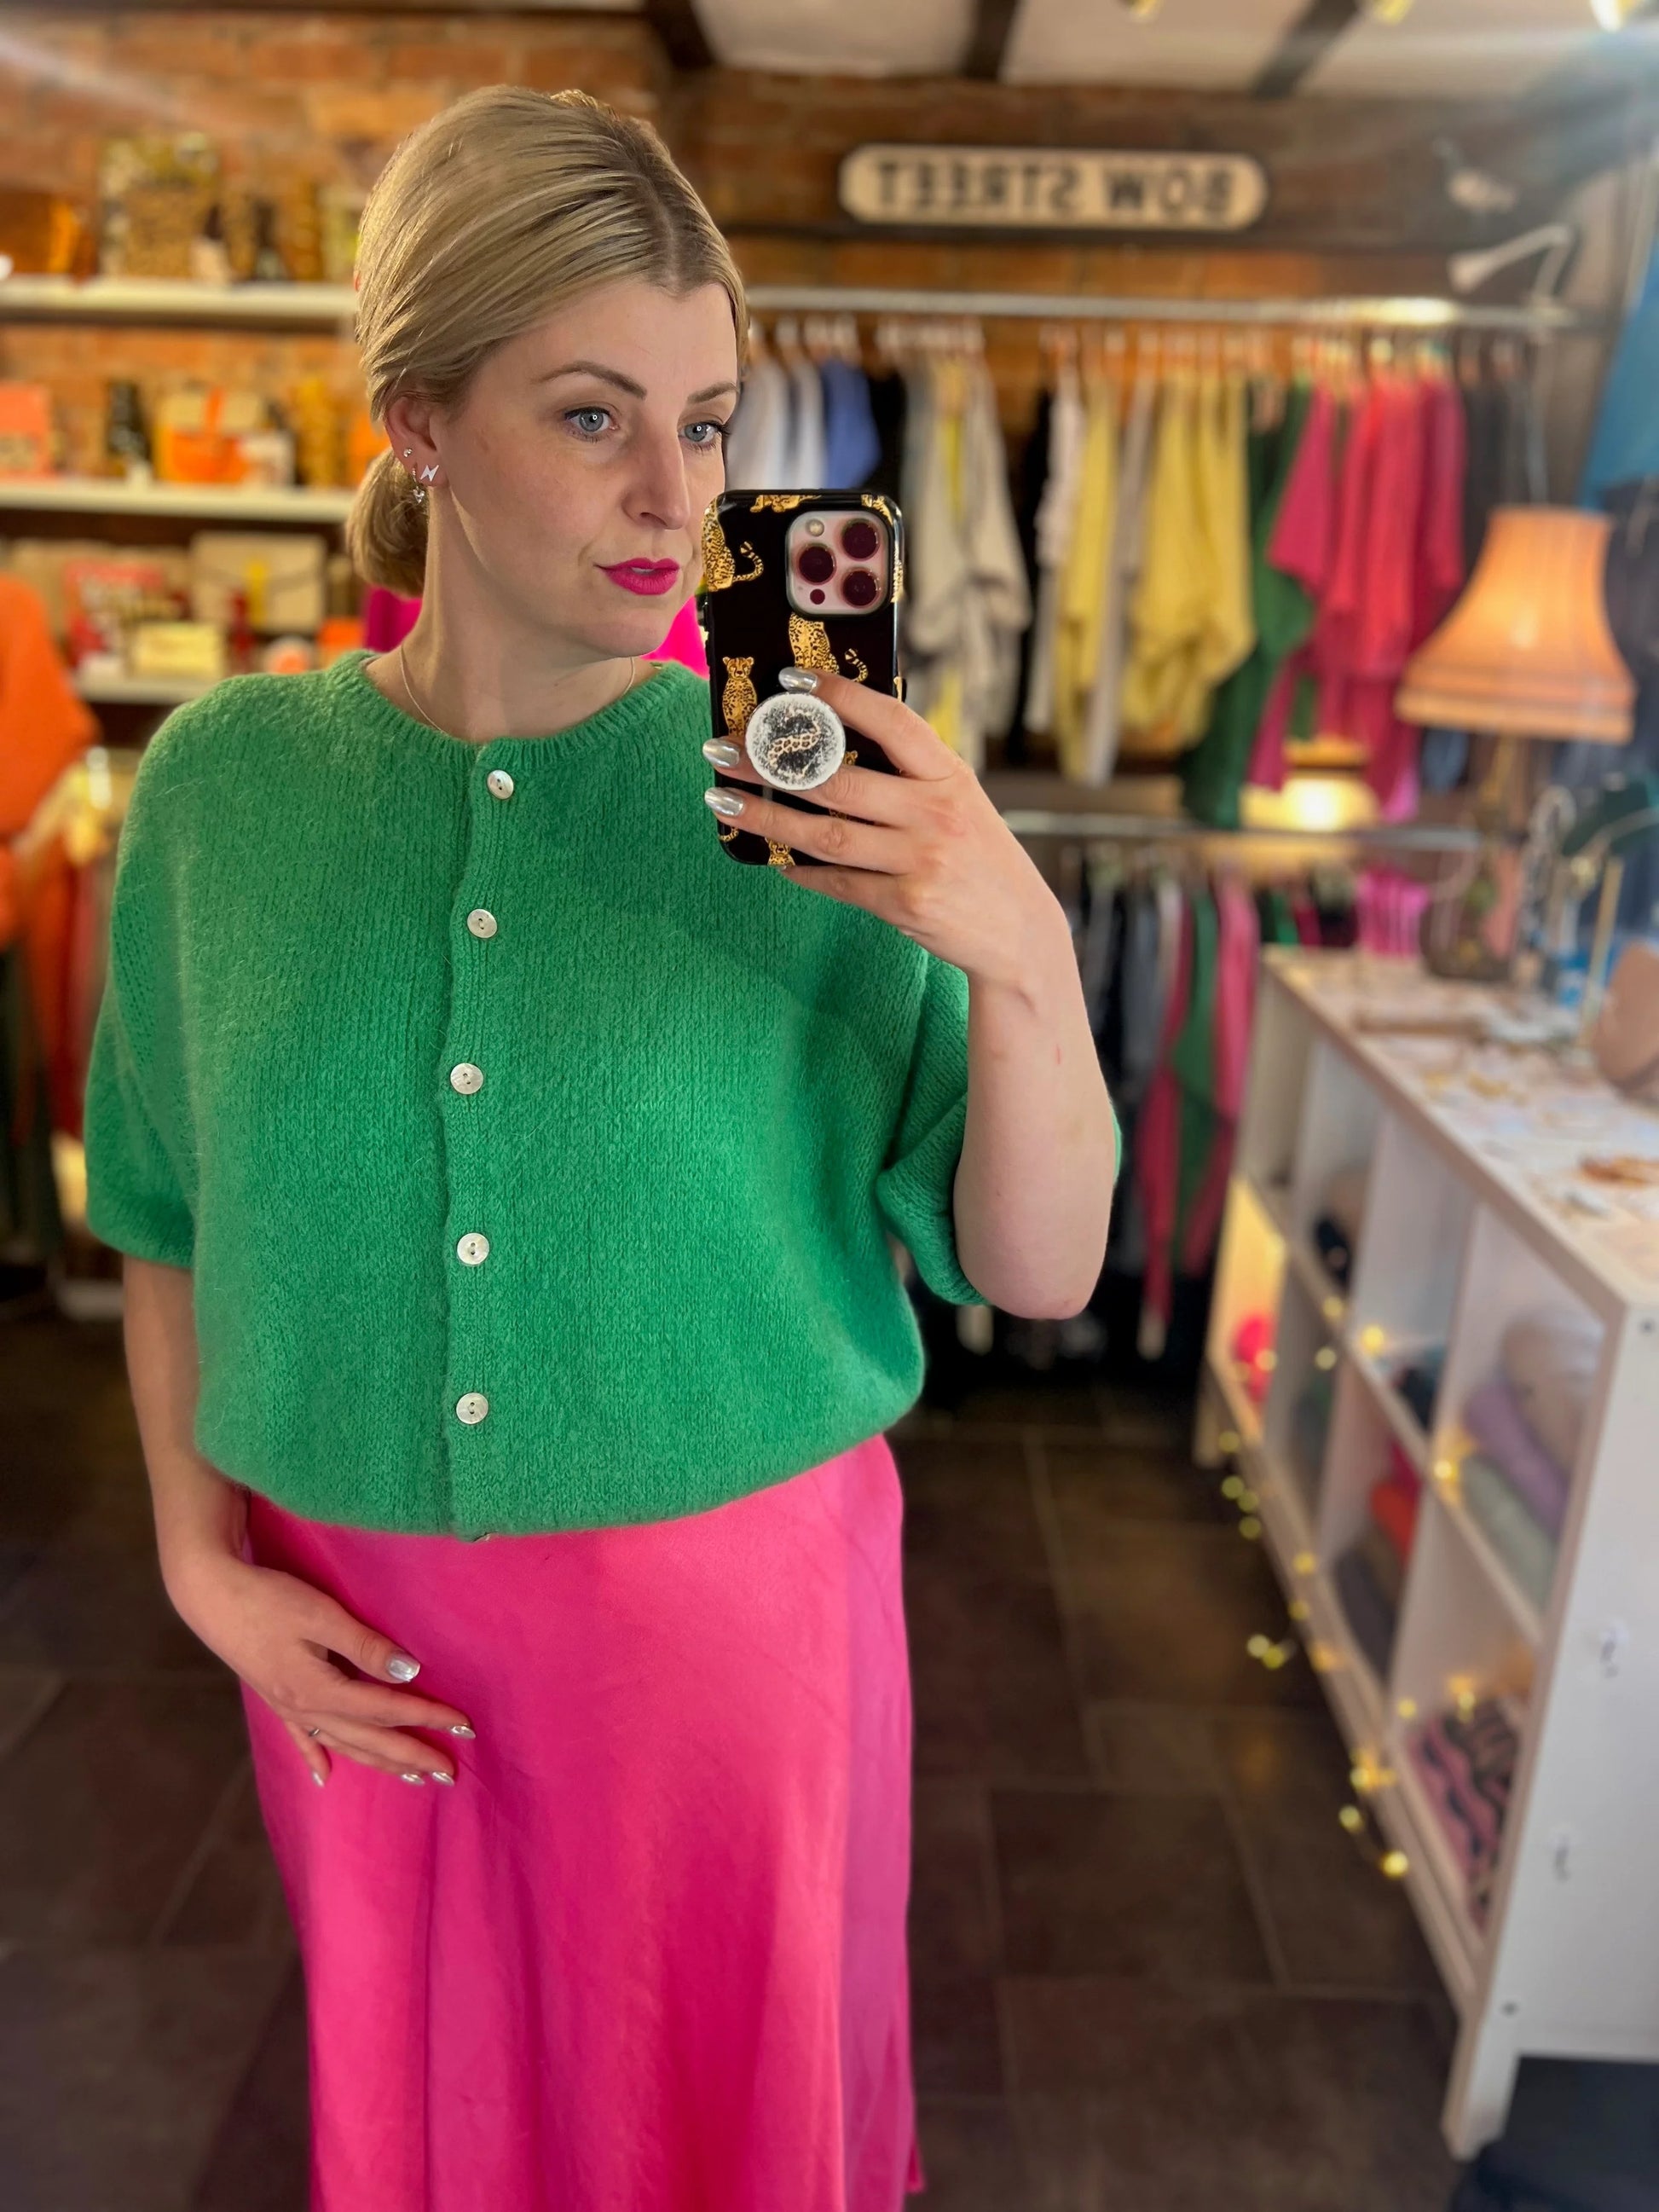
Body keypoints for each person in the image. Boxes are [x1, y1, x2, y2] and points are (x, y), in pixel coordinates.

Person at [82, 84, 1118, 2212]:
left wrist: (1019, 953)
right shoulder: (223, 791)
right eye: (589, 415)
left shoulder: (804, 799)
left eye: (715, 420)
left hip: (727, 1641)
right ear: (421, 421)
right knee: (433, 2120)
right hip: (346, 1640)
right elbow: (164, 1209)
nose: (676, 492)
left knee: (715, 2121)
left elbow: (1036, 1266)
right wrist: (200, 1567)